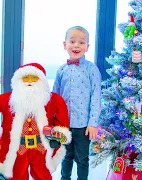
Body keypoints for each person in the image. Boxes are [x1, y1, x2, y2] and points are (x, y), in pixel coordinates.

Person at [0, 62, 72, 180]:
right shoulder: (8, 99)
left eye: (34, 78)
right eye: (25, 78)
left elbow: (62, 115)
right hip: (18, 148)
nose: (29, 81)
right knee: (16, 176)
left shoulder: (53, 99)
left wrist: (58, 136)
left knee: (43, 175)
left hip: (41, 147)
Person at [53, 26, 102, 180]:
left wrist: (93, 123)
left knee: (82, 159)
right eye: (72, 41)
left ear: (87, 47)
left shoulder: (92, 70)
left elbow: (96, 96)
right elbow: (55, 97)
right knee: (66, 156)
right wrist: (54, 120)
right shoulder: (61, 70)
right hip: (64, 124)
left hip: (83, 126)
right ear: (64, 45)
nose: (76, 45)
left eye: (81, 42)